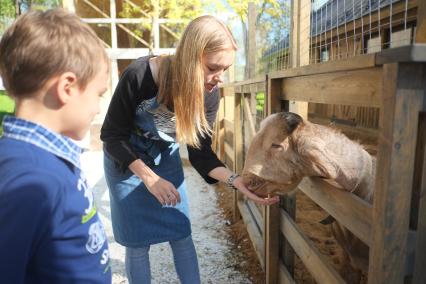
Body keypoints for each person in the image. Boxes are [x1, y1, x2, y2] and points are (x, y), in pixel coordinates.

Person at [101, 15, 279, 283]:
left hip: (164, 156)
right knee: (137, 243)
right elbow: (111, 135)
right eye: (212, 68)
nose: (218, 79)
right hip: (127, 160)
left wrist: (235, 180)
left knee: (181, 233)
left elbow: (200, 152)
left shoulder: (209, 93)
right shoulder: (139, 76)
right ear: (189, 56)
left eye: (224, 70)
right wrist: (149, 178)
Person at [0, 9, 111, 283]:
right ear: (67, 88)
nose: (98, 108)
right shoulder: (30, 181)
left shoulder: (45, 161)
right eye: (98, 94)